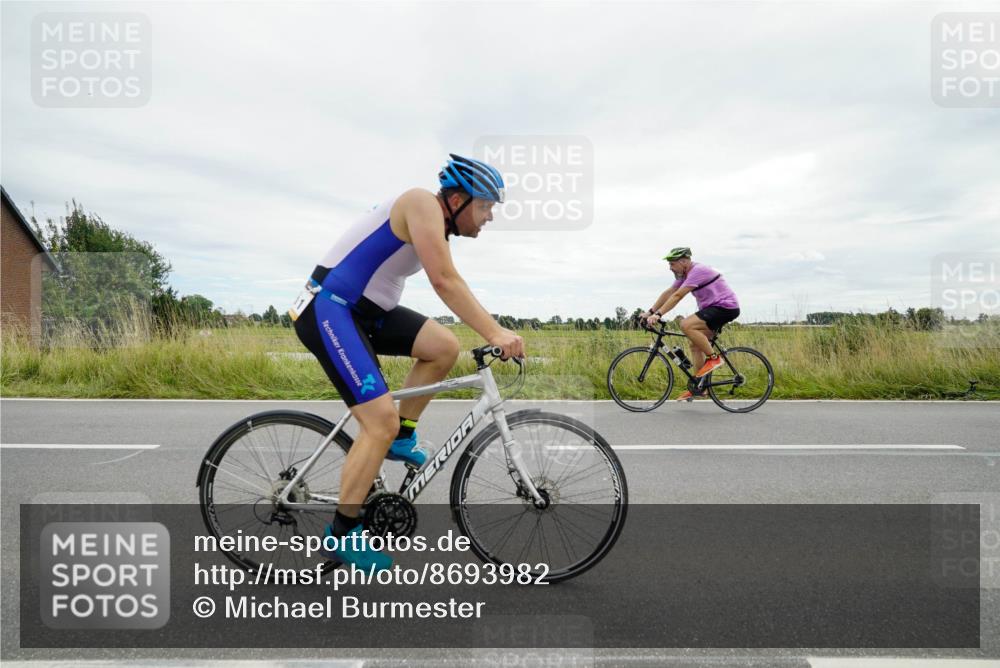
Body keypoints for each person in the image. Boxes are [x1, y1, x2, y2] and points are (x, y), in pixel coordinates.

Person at [290, 154, 525, 570]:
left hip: (366, 312)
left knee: (443, 347)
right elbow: (445, 281)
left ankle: (402, 438)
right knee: (378, 421)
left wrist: (491, 329)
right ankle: (342, 533)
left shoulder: (437, 223)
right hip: (330, 308)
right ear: (457, 199)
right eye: (486, 206)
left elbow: (448, 278)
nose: (489, 218)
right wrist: (495, 333)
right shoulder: (420, 203)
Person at [641, 247, 740, 401]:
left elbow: (678, 295)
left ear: (684, 262)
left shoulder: (697, 271)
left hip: (725, 307)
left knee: (686, 325)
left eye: (672, 264)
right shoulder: (684, 274)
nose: (670, 268)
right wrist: (650, 312)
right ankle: (699, 387)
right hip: (713, 309)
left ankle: (714, 358)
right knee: (695, 345)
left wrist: (658, 314)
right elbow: (670, 292)